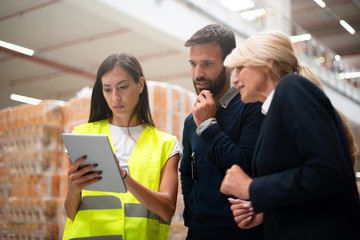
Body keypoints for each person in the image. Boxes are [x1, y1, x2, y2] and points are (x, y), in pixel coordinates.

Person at [220, 30, 360, 239]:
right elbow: (308, 184)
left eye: (240, 68)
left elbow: (327, 171)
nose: (235, 79)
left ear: (268, 62)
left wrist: (251, 188)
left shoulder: (292, 87)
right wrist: (267, 212)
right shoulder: (273, 114)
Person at [62, 53, 181, 240]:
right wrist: (73, 189)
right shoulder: (82, 136)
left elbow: (166, 211)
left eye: (123, 87)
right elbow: (70, 213)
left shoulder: (166, 145)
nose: (115, 97)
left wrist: (124, 177)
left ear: (140, 85)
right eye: (107, 89)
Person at [179, 24, 264, 240]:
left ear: (229, 64)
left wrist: (208, 126)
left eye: (207, 64)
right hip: (198, 231)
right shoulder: (192, 120)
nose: (198, 73)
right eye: (193, 64)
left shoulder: (252, 107)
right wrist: (192, 215)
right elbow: (188, 172)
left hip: (241, 232)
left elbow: (245, 167)